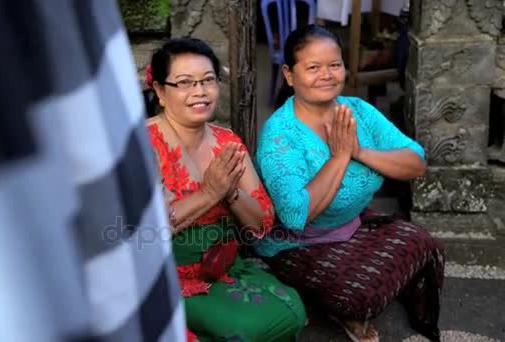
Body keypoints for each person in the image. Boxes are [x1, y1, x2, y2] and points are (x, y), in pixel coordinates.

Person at [255, 26, 444, 342]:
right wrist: (339, 158)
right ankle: (316, 297)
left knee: (424, 243)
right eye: (313, 67)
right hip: (297, 243)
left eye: (334, 64)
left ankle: (347, 283)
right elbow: (294, 215)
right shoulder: (280, 135)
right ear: (289, 74)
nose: (327, 75)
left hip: (353, 224)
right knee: (359, 295)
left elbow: (416, 162)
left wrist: (359, 151)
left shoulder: (357, 110)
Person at [144, 37, 306, 341]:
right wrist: (209, 193)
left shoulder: (227, 142)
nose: (200, 92)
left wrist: (231, 193)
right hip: (167, 279)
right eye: (184, 83)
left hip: (224, 269)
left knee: (291, 310)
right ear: (160, 92)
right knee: (247, 329)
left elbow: (261, 223)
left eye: (208, 80)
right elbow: (143, 232)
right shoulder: (143, 147)